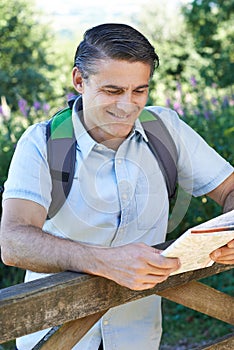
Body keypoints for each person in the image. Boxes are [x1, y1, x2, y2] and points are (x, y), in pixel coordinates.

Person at [0, 23, 233, 350]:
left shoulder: (165, 128)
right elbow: (13, 242)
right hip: (55, 340)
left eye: (140, 90)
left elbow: (229, 190)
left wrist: (230, 233)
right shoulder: (42, 142)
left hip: (139, 339)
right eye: (112, 91)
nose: (128, 106)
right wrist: (102, 261)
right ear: (79, 81)